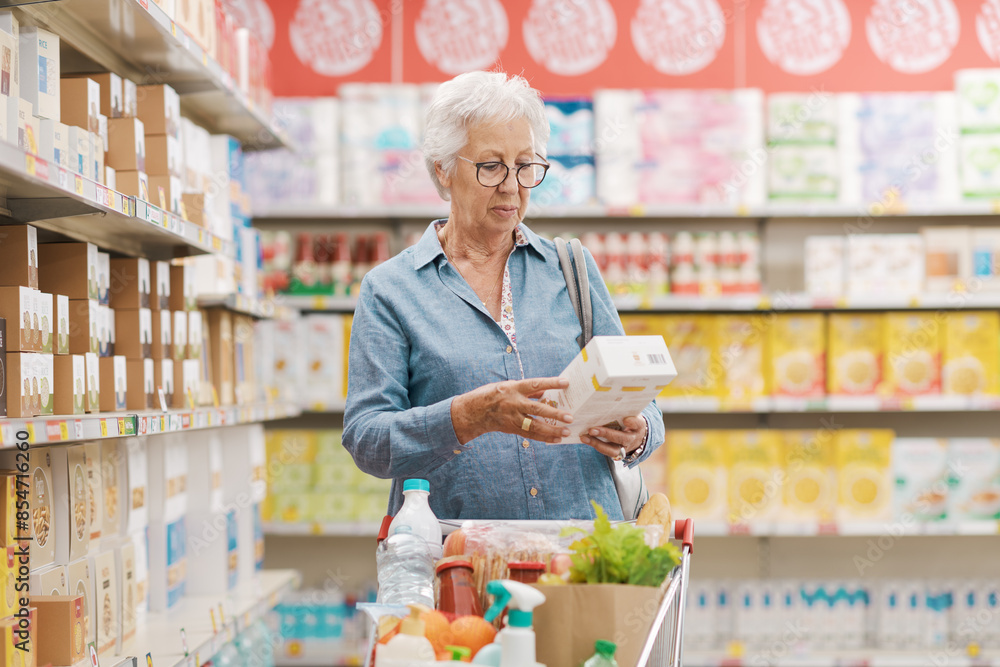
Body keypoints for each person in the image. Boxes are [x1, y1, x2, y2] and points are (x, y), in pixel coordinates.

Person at [343, 70, 665, 521]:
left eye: (526, 165)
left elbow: (645, 405)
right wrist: (472, 415)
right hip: (461, 561)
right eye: (491, 166)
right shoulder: (392, 290)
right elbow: (366, 439)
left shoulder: (571, 268)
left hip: (581, 557)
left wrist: (638, 431)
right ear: (443, 169)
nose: (512, 186)